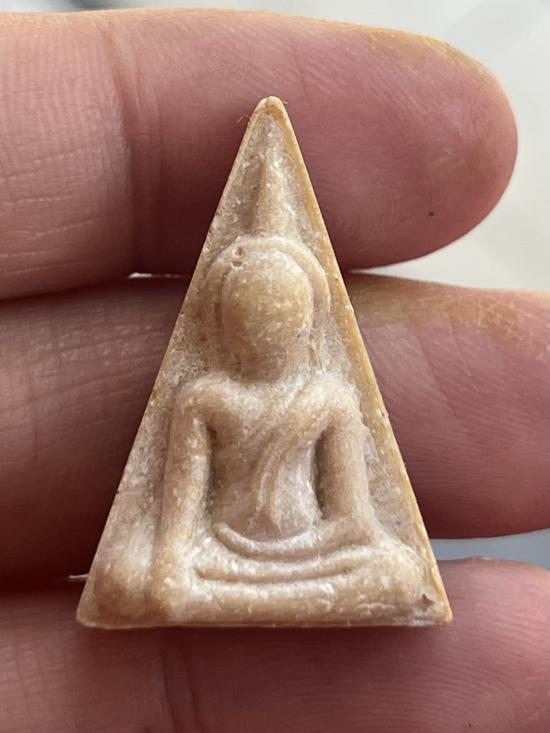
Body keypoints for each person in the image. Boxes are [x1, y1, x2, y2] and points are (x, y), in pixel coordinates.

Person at [0, 8, 548, 733]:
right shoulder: (204, 397)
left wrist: (346, 550)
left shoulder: (330, 398)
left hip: (313, 554)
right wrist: (172, 563)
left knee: (394, 570)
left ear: (306, 326)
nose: (265, 340)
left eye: (280, 325)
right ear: (225, 326)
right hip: (218, 552)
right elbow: (175, 527)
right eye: (249, 325)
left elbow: (354, 519)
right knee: (134, 575)